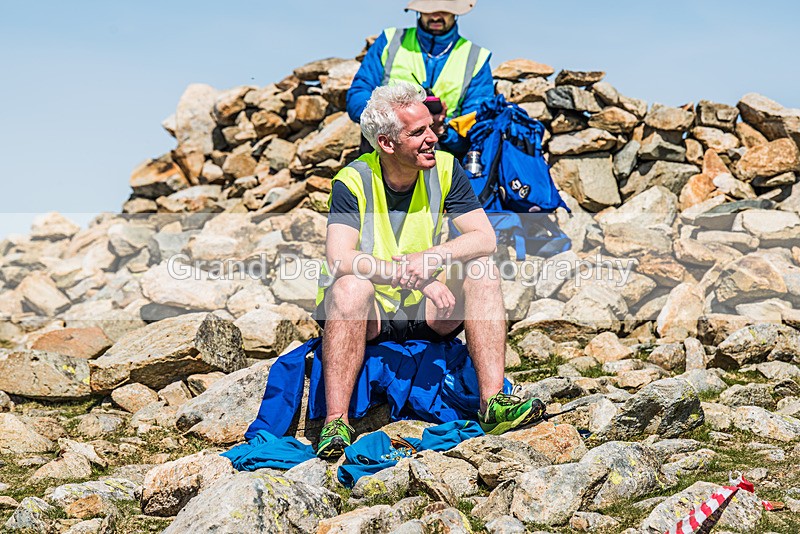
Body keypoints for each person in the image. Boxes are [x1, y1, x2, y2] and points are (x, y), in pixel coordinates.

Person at [313, 82, 544, 459]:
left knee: (482, 268)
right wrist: (410, 276)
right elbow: (340, 257)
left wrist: (434, 257)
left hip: (430, 311)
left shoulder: (446, 169)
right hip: (373, 311)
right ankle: (335, 422)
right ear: (387, 143)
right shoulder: (352, 181)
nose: (433, 137)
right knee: (349, 287)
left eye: (430, 127)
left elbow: (484, 238)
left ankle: (493, 404)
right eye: (418, 132)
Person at [346, 0, 494, 159]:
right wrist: (393, 119)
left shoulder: (476, 58)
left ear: (456, 12)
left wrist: (441, 128)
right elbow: (357, 97)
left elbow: (477, 127)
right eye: (428, 10)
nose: (436, 16)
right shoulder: (389, 42)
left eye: (445, 11)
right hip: (385, 148)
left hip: (441, 154)